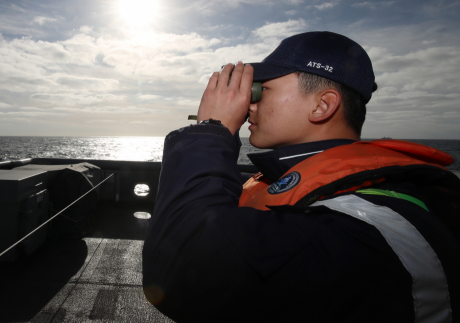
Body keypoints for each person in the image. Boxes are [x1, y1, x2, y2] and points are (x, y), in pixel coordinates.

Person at [142, 31, 460, 322]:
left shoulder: (360, 234)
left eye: (260, 90)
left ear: (322, 105)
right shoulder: (304, 188)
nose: (248, 105)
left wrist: (211, 130)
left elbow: (181, 270)